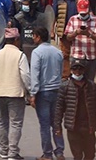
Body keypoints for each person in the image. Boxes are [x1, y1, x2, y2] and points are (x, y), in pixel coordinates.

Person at [0, 27, 31, 160]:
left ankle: (3, 151)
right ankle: (12, 152)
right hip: (16, 94)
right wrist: (30, 91)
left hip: (0, 93)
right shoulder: (20, 55)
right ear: (16, 40)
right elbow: (26, 76)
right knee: (15, 123)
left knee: (3, 122)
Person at [53, 58, 96, 160]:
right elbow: (59, 109)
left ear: (84, 70)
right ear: (71, 70)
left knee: (90, 154)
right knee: (77, 155)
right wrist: (57, 127)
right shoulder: (65, 87)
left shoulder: (92, 86)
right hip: (73, 127)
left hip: (89, 127)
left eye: (80, 69)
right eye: (75, 69)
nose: (77, 72)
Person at [28, 26, 65, 160]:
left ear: (38, 37)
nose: (32, 38)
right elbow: (61, 71)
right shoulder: (57, 52)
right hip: (57, 90)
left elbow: (35, 74)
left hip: (43, 92)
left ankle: (47, 154)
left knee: (44, 125)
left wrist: (33, 94)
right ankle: (60, 152)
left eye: (34, 35)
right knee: (56, 123)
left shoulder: (37, 53)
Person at [64, 0, 96, 83]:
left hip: (91, 56)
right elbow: (68, 37)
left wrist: (89, 34)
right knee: (76, 81)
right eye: (82, 14)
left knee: (89, 82)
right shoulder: (73, 19)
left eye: (85, 14)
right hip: (77, 55)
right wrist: (76, 33)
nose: (83, 16)